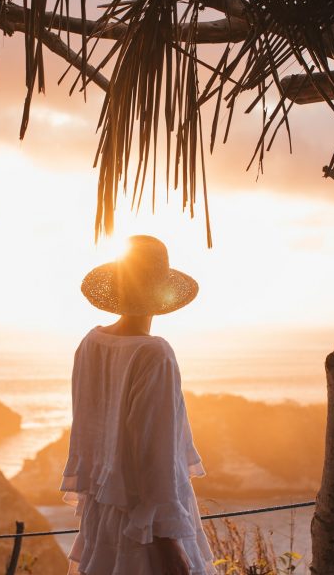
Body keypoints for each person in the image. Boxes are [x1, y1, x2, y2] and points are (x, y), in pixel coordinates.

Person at [60, 235, 216, 575]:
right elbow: (154, 459)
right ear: (162, 291)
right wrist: (169, 543)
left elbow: (86, 433)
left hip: (104, 518)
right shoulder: (154, 354)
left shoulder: (90, 344)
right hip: (145, 529)